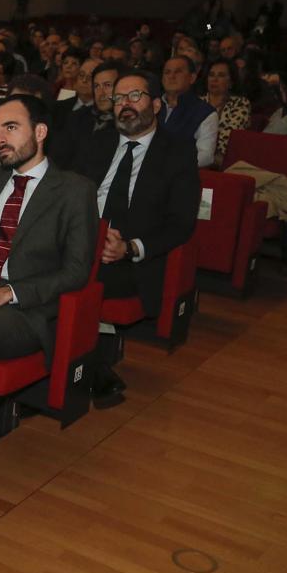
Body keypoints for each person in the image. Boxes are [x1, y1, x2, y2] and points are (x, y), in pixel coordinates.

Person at [0, 94, 97, 367]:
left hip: (22, 308)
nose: (0, 138)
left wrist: (5, 293)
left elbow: (76, 271)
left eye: (10, 127)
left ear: (40, 131)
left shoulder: (74, 190)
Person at [78, 70, 200, 407]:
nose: (125, 105)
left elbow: (181, 223)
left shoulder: (177, 151)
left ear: (157, 105)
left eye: (135, 96)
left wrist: (130, 248)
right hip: (84, 241)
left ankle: (82, 368)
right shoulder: (98, 141)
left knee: (67, 277)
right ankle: (88, 367)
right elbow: (71, 194)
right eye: (119, 99)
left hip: (133, 258)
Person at [158, 56, 218, 167]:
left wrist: (171, 164)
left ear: (192, 78)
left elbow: (206, 156)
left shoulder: (205, 113)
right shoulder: (150, 106)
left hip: (178, 175)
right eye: (167, 72)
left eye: (178, 72)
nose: (171, 76)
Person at [202, 58, 251, 163]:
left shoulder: (240, 103)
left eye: (221, 75)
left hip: (224, 161)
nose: (214, 79)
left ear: (231, 82)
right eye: (211, 75)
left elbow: (227, 141)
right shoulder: (196, 103)